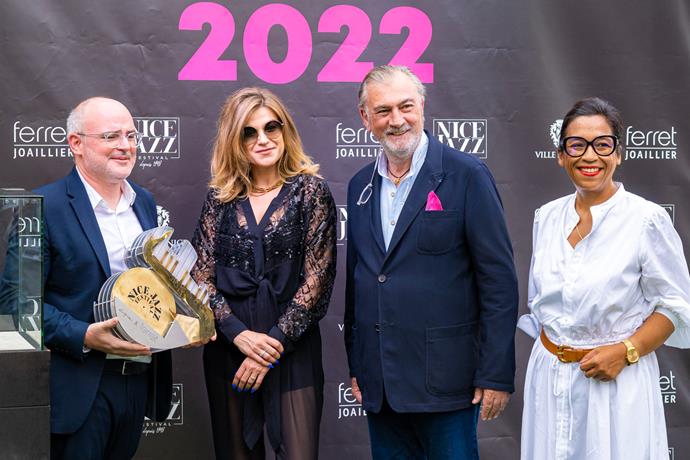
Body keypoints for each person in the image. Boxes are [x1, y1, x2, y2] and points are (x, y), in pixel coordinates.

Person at [344, 65, 519, 459]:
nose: (396, 120)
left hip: (447, 382)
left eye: (405, 106)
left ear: (422, 105)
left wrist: (495, 373)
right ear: (365, 118)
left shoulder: (468, 175)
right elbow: (359, 280)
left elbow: (498, 282)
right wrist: (359, 364)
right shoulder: (359, 186)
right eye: (383, 110)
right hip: (381, 385)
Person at [518, 97, 690, 459]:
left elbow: (675, 307)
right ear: (560, 155)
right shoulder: (546, 217)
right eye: (576, 145)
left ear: (619, 153)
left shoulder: (646, 220)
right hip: (549, 382)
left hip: (616, 384)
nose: (589, 156)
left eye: (602, 144)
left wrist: (626, 351)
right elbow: (541, 304)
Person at [191, 87, 337, 460]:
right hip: (230, 350)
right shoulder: (220, 198)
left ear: (285, 130)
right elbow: (200, 277)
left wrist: (267, 349)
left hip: (291, 346)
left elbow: (318, 282)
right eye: (249, 132)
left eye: (271, 127)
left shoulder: (311, 192)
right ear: (234, 140)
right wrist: (239, 336)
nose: (263, 139)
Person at [39, 97, 173, 459]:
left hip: (137, 380)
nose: (125, 146)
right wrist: (84, 335)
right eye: (111, 136)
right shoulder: (46, 205)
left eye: (131, 135)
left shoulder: (144, 202)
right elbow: (19, 304)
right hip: (80, 383)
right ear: (76, 143)